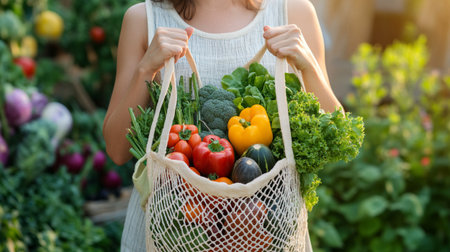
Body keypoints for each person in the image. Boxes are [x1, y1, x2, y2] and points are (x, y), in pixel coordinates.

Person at [103, 0, 342, 251]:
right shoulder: (144, 19)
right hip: (172, 231)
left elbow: (335, 135)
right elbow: (117, 150)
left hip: (263, 234)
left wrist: (308, 67)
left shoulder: (293, 12)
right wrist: (145, 69)